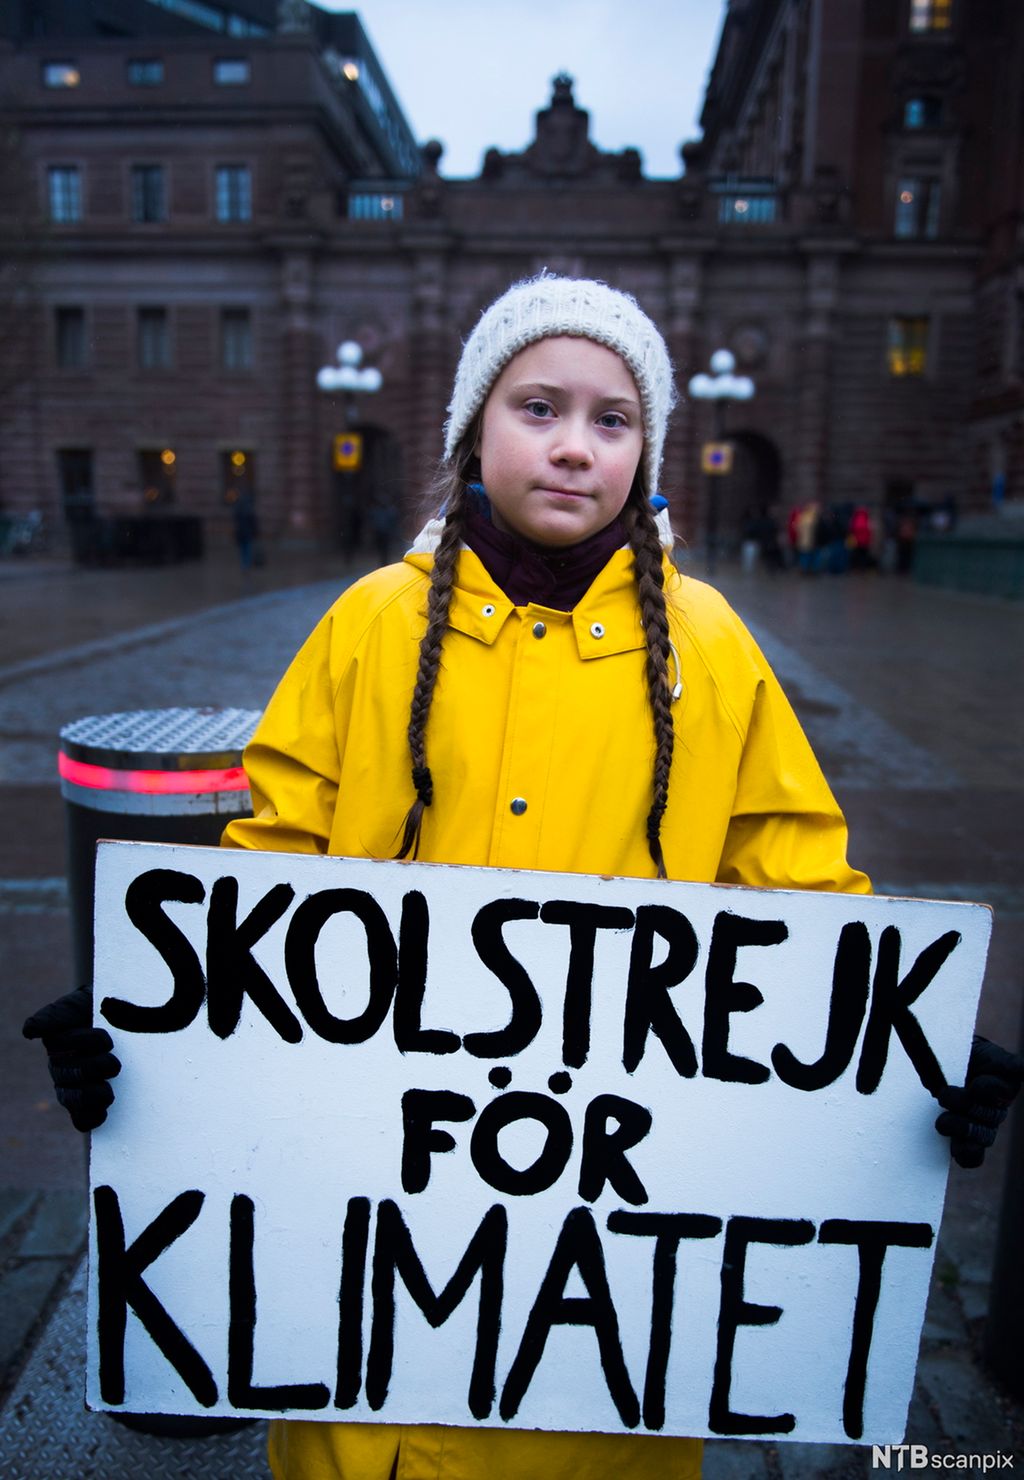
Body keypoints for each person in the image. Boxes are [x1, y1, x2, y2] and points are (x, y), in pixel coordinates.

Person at [23, 276, 1023, 1480]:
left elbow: (797, 885)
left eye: (612, 418)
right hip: (367, 1341)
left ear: (649, 449)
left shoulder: (708, 645)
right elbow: (268, 876)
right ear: (471, 432)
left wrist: (903, 1054)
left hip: (602, 1359)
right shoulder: (368, 626)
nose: (570, 445)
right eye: (537, 405)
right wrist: (158, 1032)